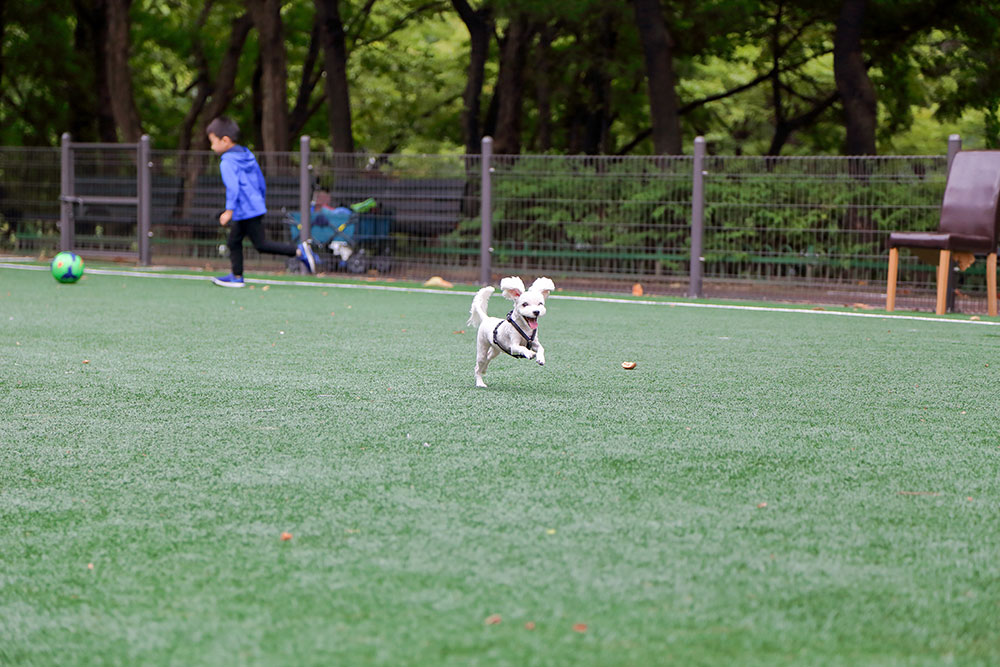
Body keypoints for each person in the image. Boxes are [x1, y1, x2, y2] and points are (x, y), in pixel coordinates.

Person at [205, 116, 316, 287]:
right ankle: (236, 276)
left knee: (260, 244)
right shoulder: (247, 156)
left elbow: (233, 188)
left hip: (245, 210)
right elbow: (260, 181)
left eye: (213, 142)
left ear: (225, 140)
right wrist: (259, 200)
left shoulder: (227, 162)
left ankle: (299, 251)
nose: (212, 147)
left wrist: (229, 211)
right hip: (253, 206)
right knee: (234, 241)